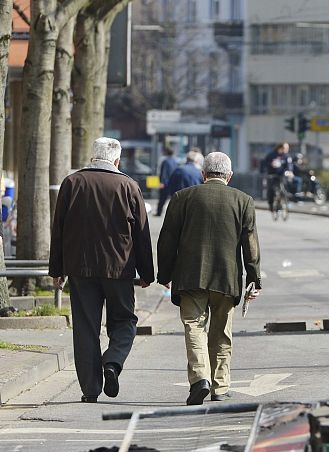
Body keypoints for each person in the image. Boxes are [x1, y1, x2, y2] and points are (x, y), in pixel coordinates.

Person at [48, 137, 155, 403]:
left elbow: (58, 229)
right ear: (117, 160)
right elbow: (141, 233)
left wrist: (57, 269)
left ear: (92, 157)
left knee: (85, 327)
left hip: (80, 268)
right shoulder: (129, 186)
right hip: (119, 269)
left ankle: (90, 389)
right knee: (125, 321)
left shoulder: (72, 183)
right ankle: (113, 362)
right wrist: (147, 272)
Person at [157, 152, 261, 406]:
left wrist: (165, 274)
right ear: (229, 176)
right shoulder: (243, 200)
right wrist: (254, 279)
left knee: (193, 326)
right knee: (221, 333)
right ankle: (220, 386)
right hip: (227, 278)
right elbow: (251, 245)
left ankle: (199, 377)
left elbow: (167, 240)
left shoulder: (182, 198)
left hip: (190, 275)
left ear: (203, 174)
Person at [260, 142, 291, 210]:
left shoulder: (286, 156)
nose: (287, 149)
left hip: (282, 175)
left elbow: (289, 166)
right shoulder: (271, 155)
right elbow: (264, 164)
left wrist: (289, 171)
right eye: (286, 148)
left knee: (285, 187)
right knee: (271, 190)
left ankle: (283, 202)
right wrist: (270, 165)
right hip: (272, 175)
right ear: (280, 148)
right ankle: (271, 205)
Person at [155, 146, 178, 216]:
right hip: (173, 183)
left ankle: (159, 212)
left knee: (162, 199)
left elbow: (164, 172)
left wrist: (162, 182)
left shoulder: (165, 161)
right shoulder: (175, 161)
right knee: (174, 199)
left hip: (165, 183)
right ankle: (174, 213)